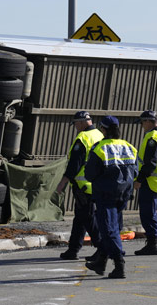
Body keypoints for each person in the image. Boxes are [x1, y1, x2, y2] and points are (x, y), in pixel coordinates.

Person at [83, 116, 138, 279]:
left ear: (103, 130)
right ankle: (101, 261)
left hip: (105, 194)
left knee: (109, 230)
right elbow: (135, 171)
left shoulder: (100, 148)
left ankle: (119, 264)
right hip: (124, 194)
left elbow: (90, 174)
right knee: (114, 227)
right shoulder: (129, 147)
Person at [56, 111, 104, 261]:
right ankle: (73, 249)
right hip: (96, 184)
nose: (76, 127)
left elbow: (75, 164)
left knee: (88, 218)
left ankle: (103, 248)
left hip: (83, 186)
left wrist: (63, 182)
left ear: (82, 122)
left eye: (76, 124)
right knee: (81, 218)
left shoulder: (83, 138)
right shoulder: (99, 135)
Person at [133, 110, 157, 256]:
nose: (142, 126)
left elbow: (150, 163)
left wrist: (139, 180)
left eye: (143, 122)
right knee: (152, 212)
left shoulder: (153, 138)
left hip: (150, 181)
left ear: (149, 121)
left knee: (147, 214)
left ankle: (152, 244)